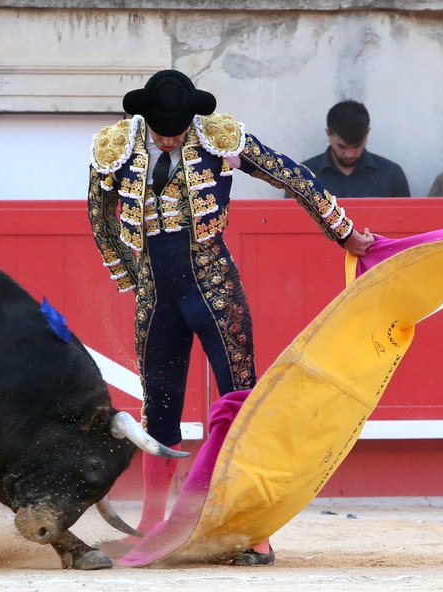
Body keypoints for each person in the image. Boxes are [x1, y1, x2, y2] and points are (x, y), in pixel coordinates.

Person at [87, 70, 373, 566]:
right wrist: (132, 277)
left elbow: (289, 173)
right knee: (159, 410)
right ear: (145, 119)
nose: (171, 137)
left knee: (242, 402)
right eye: (162, 130)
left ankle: (254, 528)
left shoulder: (218, 136)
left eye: (178, 128)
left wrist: (342, 232)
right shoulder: (118, 145)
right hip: (156, 297)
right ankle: (154, 523)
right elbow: (98, 212)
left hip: (215, 289)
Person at [300, 100, 410, 197]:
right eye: (341, 146)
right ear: (328, 133)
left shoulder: (390, 175)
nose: (349, 154)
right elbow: (291, 219)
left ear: (367, 133)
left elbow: (407, 219)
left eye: (357, 146)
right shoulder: (303, 176)